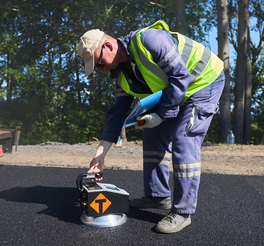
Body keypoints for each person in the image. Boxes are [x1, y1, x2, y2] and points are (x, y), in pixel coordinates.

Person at [77, 20, 225, 234]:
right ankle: (157, 196)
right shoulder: (120, 76)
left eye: (99, 63)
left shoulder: (149, 40)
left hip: (204, 81)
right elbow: (117, 112)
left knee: (184, 139)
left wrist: (162, 114)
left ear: (108, 46)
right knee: (153, 132)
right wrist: (100, 153)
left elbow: (180, 76)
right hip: (178, 90)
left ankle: (183, 212)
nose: (100, 69)